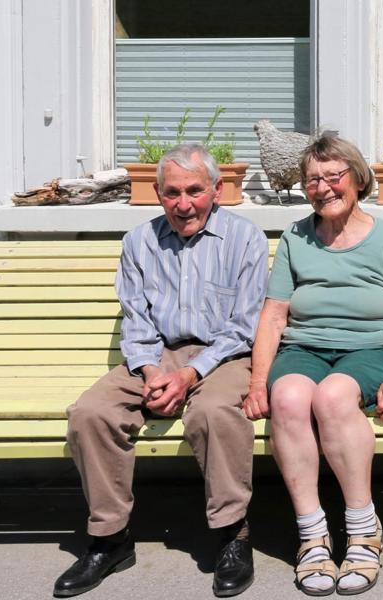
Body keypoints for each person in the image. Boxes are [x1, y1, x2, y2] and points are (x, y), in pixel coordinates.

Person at [54, 144, 268, 598]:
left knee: (212, 413)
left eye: (194, 191)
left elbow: (244, 326)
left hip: (224, 356)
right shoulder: (139, 241)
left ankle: (232, 533)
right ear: (157, 193)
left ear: (217, 190)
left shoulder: (245, 238)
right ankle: (109, 539)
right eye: (172, 193)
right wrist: (152, 372)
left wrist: (189, 376)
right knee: (90, 413)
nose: (183, 204)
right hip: (156, 354)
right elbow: (137, 320)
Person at [243, 133, 383, 596]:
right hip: (304, 348)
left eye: (332, 176)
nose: (322, 188)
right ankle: (312, 536)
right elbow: (274, 316)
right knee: (288, 397)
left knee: (333, 396)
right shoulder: (295, 237)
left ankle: (363, 530)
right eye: (312, 180)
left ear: (357, 178)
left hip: (370, 349)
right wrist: (259, 382)